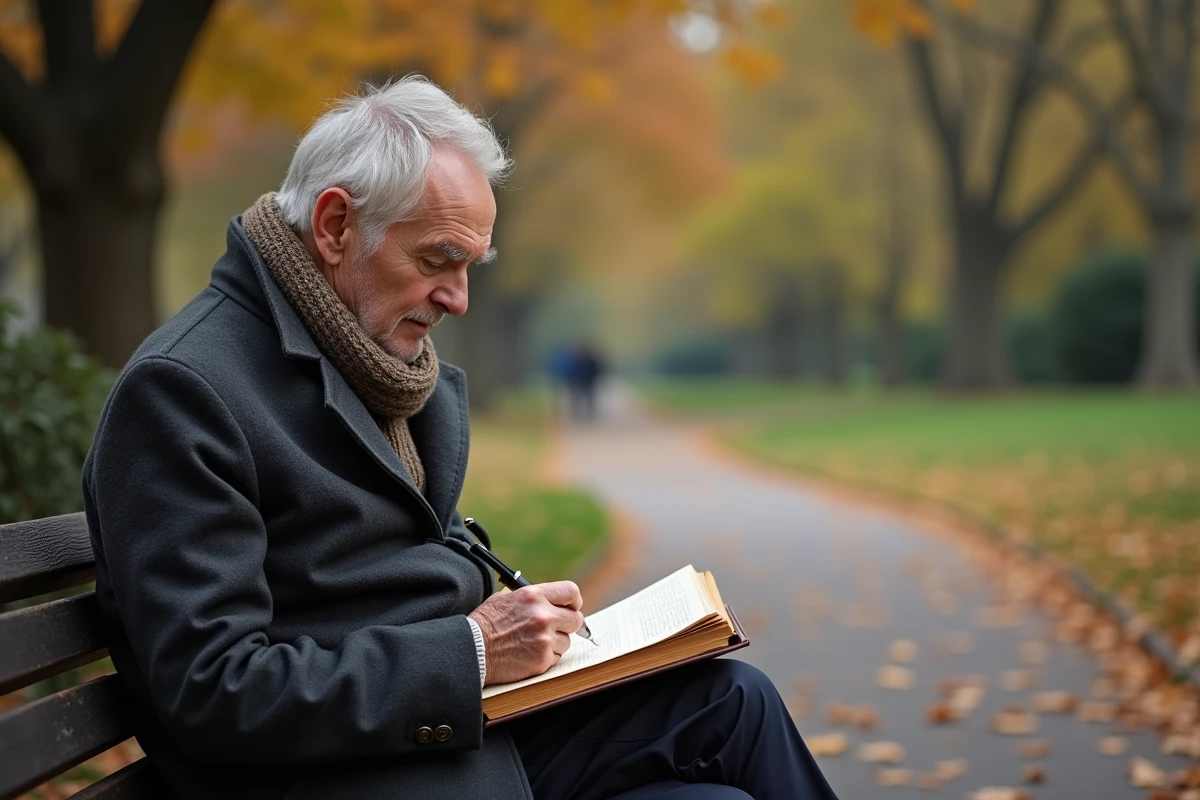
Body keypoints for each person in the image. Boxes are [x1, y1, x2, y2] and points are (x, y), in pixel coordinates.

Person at [83, 77, 839, 800]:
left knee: (729, 699)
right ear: (336, 226)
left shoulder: (365, 355)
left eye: (470, 266)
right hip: (342, 775)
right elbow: (214, 690)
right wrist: (473, 651)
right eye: (438, 260)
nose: (459, 298)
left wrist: (524, 641)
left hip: (437, 743)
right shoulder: (185, 389)